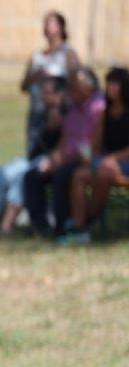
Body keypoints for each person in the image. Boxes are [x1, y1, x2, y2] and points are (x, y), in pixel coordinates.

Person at [0, 77, 64, 237]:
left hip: (53, 159)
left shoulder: (67, 113)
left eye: (47, 92)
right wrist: (47, 128)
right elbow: (37, 145)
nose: (43, 95)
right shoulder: (41, 113)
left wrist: (55, 127)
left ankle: (6, 226)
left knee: (22, 176)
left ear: (60, 94)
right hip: (32, 158)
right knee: (2, 173)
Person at [22, 66, 103, 237]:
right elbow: (65, 139)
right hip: (67, 158)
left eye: (74, 87)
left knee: (61, 175)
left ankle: (63, 226)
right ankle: (40, 226)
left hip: (86, 160)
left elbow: (93, 146)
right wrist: (53, 158)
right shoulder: (74, 109)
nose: (70, 91)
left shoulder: (98, 108)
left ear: (88, 87)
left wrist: (64, 160)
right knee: (33, 175)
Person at [60, 66, 129, 244]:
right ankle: (79, 229)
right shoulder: (105, 112)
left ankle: (88, 221)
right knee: (80, 175)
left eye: (114, 84)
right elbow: (97, 143)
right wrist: (89, 155)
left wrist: (112, 159)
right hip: (107, 163)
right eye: (108, 83)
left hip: (123, 162)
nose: (109, 87)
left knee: (104, 173)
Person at [19, 10, 78, 157]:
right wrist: (35, 76)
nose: (46, 26)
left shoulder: (68, 53)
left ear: (61, 27)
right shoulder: (37, 56)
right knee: (34, 153)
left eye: (50, 22)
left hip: (57, 114)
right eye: (44, 23)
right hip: (36, 113)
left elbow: (77, 81)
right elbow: (23, 86)